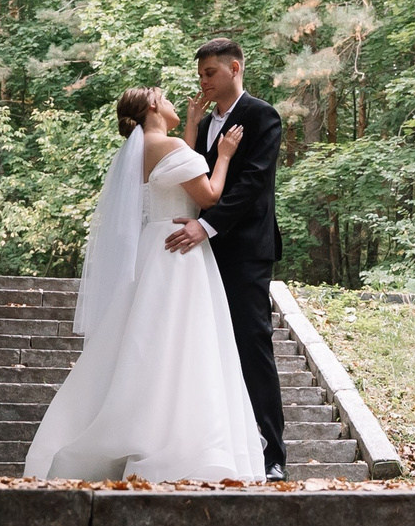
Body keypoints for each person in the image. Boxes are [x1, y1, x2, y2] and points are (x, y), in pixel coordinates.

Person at [21, 87, 265, 482]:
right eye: (164, 97)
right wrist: (223, 156)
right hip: (180, 253)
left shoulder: (142, 150)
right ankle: (177, 435)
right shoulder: (167, 146)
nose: (170, 101)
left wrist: (189, 124)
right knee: (184, 341)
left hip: (154, 246)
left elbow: (175, 170)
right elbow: (207, 195)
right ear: (152, 106)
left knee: (150, 339)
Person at [161, 37, 288, 480]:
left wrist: (207, 226)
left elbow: (252, 184)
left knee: (252, 346)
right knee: (202, 347)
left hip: (245, 251)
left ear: (235, 68)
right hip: (197, 251)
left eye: (210, 73)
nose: (204, 82)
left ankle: (272, 455)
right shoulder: (203, 121)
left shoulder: (262, 116)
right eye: (200, 75)